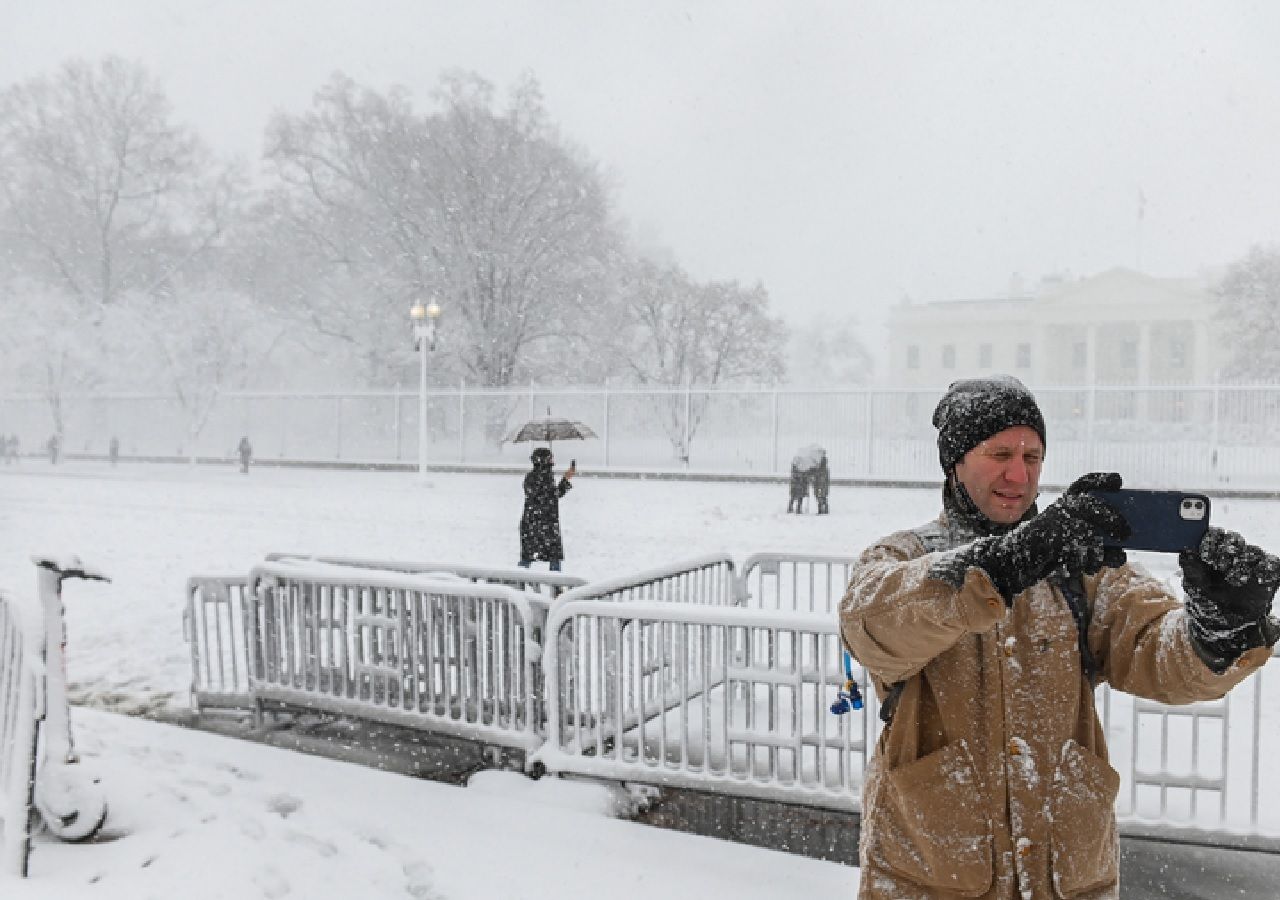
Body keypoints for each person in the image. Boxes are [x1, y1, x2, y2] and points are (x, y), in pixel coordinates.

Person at [839, 375, 1278, 900]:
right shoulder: (903, 558)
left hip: (1068, 882)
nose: (1018, 473)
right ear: (954, 462)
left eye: (1033, 456)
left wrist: (1220, 631)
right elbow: (872, 625)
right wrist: (1004, 564)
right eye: (998, 452)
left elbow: (1159, 653)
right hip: (929, 877)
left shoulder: (1080, 571)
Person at [518, 447, 575, 571]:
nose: (552, 461)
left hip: (533, 524)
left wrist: (565, 480)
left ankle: (519, 581)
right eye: (550, 458)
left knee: (529, 556)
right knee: (552, 556)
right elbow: (550, 497)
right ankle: (556, 585)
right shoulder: (541, 478)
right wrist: (564, 481)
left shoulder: (534, 477)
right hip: (544, 524)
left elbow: (551, 495)